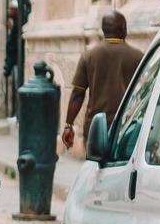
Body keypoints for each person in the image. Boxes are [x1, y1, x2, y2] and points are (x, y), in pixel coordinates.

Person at [61, 10, 143, 150]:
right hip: (127, 129)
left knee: (95, 169)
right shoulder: (138, 57)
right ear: (123, 28)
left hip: (95, 129)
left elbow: (77, 94)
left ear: (103, 30)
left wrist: (69, 125)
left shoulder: (89, 56)